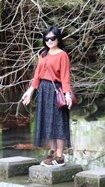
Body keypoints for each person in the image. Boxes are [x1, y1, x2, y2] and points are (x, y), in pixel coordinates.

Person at [21, 26, 73, 167]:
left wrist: (67, 94)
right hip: (44, 90)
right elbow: (37, 75)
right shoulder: (43, 54)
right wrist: (30, 91)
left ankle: (59, 156)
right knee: (47, 122)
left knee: (59, 123)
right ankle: (52, 153)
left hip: (56, 90)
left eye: (52, 38)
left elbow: (65, 77)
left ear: (58, 38)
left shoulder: (62, 55)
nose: (49, 41)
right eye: (47, 38)